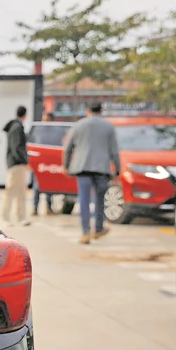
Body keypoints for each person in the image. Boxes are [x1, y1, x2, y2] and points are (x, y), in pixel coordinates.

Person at [62, 102, 121, 244]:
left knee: (84, 200)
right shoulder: (108, 126)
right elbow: (114, 150)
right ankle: (99, 228)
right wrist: (117, 170)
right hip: (101, 169)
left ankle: (85, 232)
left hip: (82, 169)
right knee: (100, 199)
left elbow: (68, 147)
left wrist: (66, 166)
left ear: (88, 111)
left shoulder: (78, 125)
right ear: (101, 111)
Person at [2, 105, 30, 226]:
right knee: (12, 190)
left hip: (15, 163)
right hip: (16, 164)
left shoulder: (14, 126)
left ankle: (21, 217)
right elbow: (17, 147)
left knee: (20, 191)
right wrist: (24, 161)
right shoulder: (17, 128)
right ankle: (5, 217)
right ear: (25, 115)